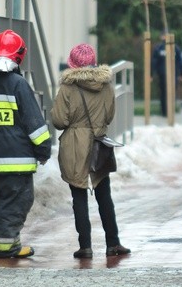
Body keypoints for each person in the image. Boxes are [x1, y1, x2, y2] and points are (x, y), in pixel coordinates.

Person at [0, 30, 52, 258]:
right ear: (18, 56)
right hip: (17, 162)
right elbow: (34, 124)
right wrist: (43, 150)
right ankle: (7, 247)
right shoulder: (18, 84)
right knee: (16, 203)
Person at [51, 43, 131, 259]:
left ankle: (85, 246)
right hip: (98, 143)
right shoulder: (106, 86)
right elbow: (109, 115)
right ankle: (113, 243)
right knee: (104, 194)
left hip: (74, 144)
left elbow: (59, 120)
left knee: (79, 194)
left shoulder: (67, 88)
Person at [151, 33, 182, 116]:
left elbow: (180, 61)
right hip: (167, 75)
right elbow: (154, 62)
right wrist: (181, 73)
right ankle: (167, 112)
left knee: (166, 93)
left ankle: (166, 112)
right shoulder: (173, 48)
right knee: (168, 93)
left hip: (168, 74)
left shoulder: (161, 48)